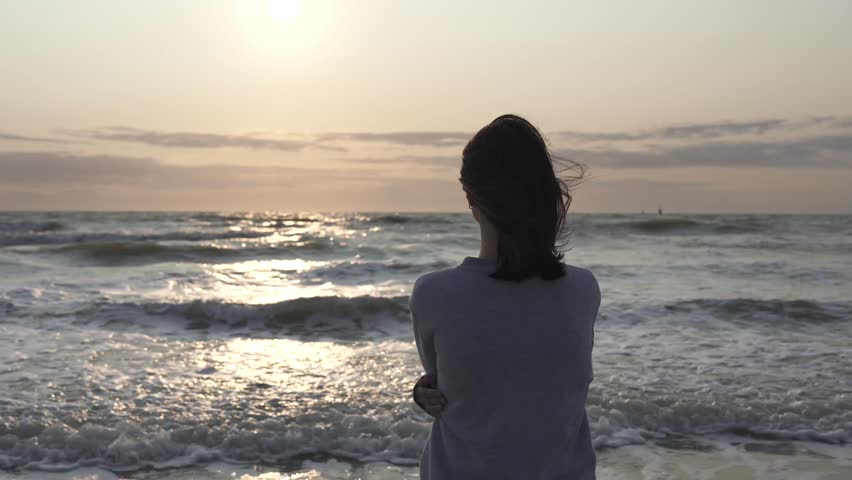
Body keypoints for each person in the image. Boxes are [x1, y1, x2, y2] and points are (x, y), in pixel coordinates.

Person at [409, 114, 600, 479]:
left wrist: (424, 391)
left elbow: (445, 384)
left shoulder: (434, 294)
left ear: (469, 196)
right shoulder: (583, 290)